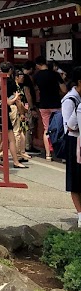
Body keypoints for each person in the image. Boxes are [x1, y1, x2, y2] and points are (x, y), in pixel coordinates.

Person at [0, 62, 28, 170]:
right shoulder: (10, 82)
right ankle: (16, 162)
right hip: (4, 111)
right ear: (10, 70)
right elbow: (9, 101)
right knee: (11, 138)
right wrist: (16, 97)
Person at [34, 56, 65, 160]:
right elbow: (64, 89)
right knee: (60, 128)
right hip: (55, 104)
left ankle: (48, 154)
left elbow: (36, 89)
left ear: (38, 65)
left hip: (43, 105)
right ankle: (60, 152)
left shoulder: (37, 76)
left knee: (46, 129)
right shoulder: (55, 74)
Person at [61, 67, 81, 227]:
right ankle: (80, 213)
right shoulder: (71, 100)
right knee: (75, 179)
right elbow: (69, 125)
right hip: (74, 142)